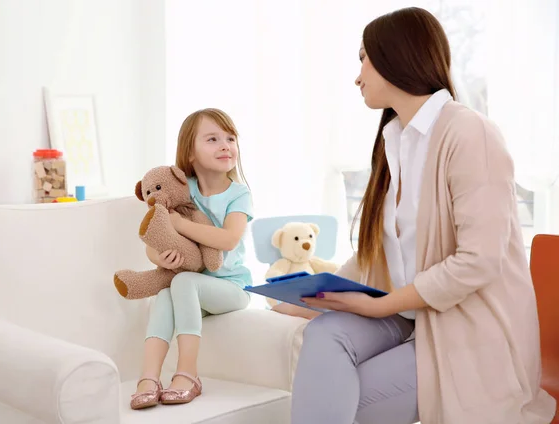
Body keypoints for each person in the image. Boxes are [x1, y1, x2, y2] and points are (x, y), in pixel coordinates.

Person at [291, 7, 557, 424]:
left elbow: (479, 260)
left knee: (341, 403)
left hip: (466, 334)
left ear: (395, 56)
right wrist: (311, 295)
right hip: (409, 317)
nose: (357, 75)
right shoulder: (395, 141)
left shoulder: (470, 134)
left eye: (363, 58)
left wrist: (381, 307)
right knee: (324, 334)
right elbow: (381, 252)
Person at [130, 108, 254, 409]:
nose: (225, 145)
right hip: (194, 289)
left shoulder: (238, 194)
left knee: (183, 282)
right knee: (164, 293)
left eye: (230, 138)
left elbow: (228, 239)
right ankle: (148, 378)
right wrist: (162, 256)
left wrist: (182, 225)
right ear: (190, 153)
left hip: (232, 288)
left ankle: (188, 374)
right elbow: (153, 239)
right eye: (212, 139)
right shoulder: (181, 190)